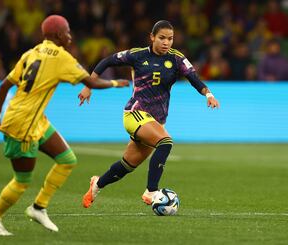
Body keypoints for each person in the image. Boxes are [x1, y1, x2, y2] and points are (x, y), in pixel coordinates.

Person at [0, 15, 128, 236]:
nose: (70, 35)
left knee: (67, 160)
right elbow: (92, 82)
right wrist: (117, 82)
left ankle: (39, 207)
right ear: (58, 35)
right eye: (67, 31)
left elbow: (4, 85)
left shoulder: (31, 52)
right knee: (22, 181)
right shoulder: (61, 57)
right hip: (22, 125)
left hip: (33, 119)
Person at [79, 20, 220, 209]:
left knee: (127, 165)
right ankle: (151, 191)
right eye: (162, 38)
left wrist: (208, 95)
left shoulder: (177, 58)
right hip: (135, 113)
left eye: (170, 39)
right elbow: (107, 61)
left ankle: (97, 184)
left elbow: (194, 78)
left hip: (155, 120)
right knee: (166, 142)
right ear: (152, 37)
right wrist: (89, 86)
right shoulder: (137, 55)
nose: (166, 42)